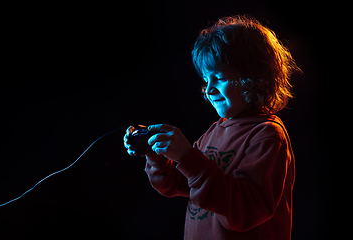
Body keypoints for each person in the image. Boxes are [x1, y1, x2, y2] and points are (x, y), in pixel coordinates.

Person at [123, 15, 299, 240]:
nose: (209, 89)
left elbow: (244, 213)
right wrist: (156, 153)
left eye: (221, 78)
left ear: (256, 78)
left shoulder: (267, 136)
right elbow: (176, 184)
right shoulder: (216, 130)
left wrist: (187, 157)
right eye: (206, 80)